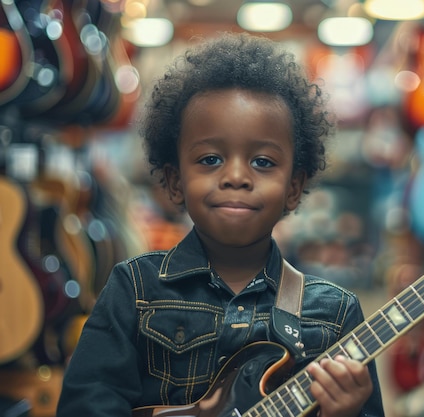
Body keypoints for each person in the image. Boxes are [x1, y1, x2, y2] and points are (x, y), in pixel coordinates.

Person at [56, 31, 385, 417]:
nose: (236, 177)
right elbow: (86, 404)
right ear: (175, 181)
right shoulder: (135, 288)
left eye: (263, 162)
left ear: (293, 188)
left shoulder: (334, 313)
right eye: (210, 159)